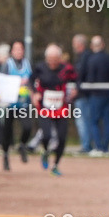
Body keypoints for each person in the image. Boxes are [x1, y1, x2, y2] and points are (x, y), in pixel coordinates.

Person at [31, 44, 77, 176]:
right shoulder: (40, 67)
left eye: (55, 59)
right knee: (47, 136)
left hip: (60, 107)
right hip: (44, 107)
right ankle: (45, 152)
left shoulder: (67, 69)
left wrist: (76, 90)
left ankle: (55, 165)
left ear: (59, 58)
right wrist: (34, 93)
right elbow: (31, 79)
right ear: (46, 58)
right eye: (50, 59)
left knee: (62, 138)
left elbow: (77, 79)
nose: (52, 62)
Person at [0, 39, 33, 170]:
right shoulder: (7, 64)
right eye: (16, 49)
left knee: (27, 127)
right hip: (9, 104)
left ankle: (22, 145)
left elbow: (32, 80)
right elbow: (2, 81)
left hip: (23, 104)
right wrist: (17, 81)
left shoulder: (27, 63)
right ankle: (6, 156)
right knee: (7, 132)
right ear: (12, 51)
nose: (19, 51)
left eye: (21, 49)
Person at [84, 35, 109, 156]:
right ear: (103, 45)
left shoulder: (92, 60)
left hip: (96, 94)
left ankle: (98, 147)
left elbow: (90, 78)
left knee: (94, 121)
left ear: (93, 46)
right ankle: (106, 148)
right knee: (107, 121)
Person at [72, 34, 92, 153]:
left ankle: (86, 146)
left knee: (83, 120)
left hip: (83, 95)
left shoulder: (85, 57)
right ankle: (87, 144)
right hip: (84, 94)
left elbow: (81, 75)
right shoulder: (83, 57)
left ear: (79, 44)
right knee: (85, 120)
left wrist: (77, 89)